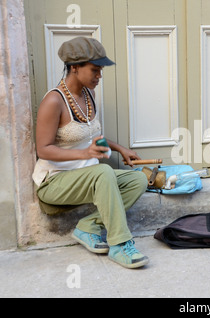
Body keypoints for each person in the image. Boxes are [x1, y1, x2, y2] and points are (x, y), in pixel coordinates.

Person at [32, 37, 149, 268]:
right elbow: (43, 149)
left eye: (101, 70)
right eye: (95, 70)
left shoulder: (89, 95)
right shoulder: (54, 101)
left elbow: (89, 138)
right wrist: (85, 155)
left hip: (88, 177)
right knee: (103, 171)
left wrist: (119, 148)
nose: (99, 76)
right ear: (75, 67)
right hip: (54, 181)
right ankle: (120, 244)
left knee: (138, 179)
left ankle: (88, 226)